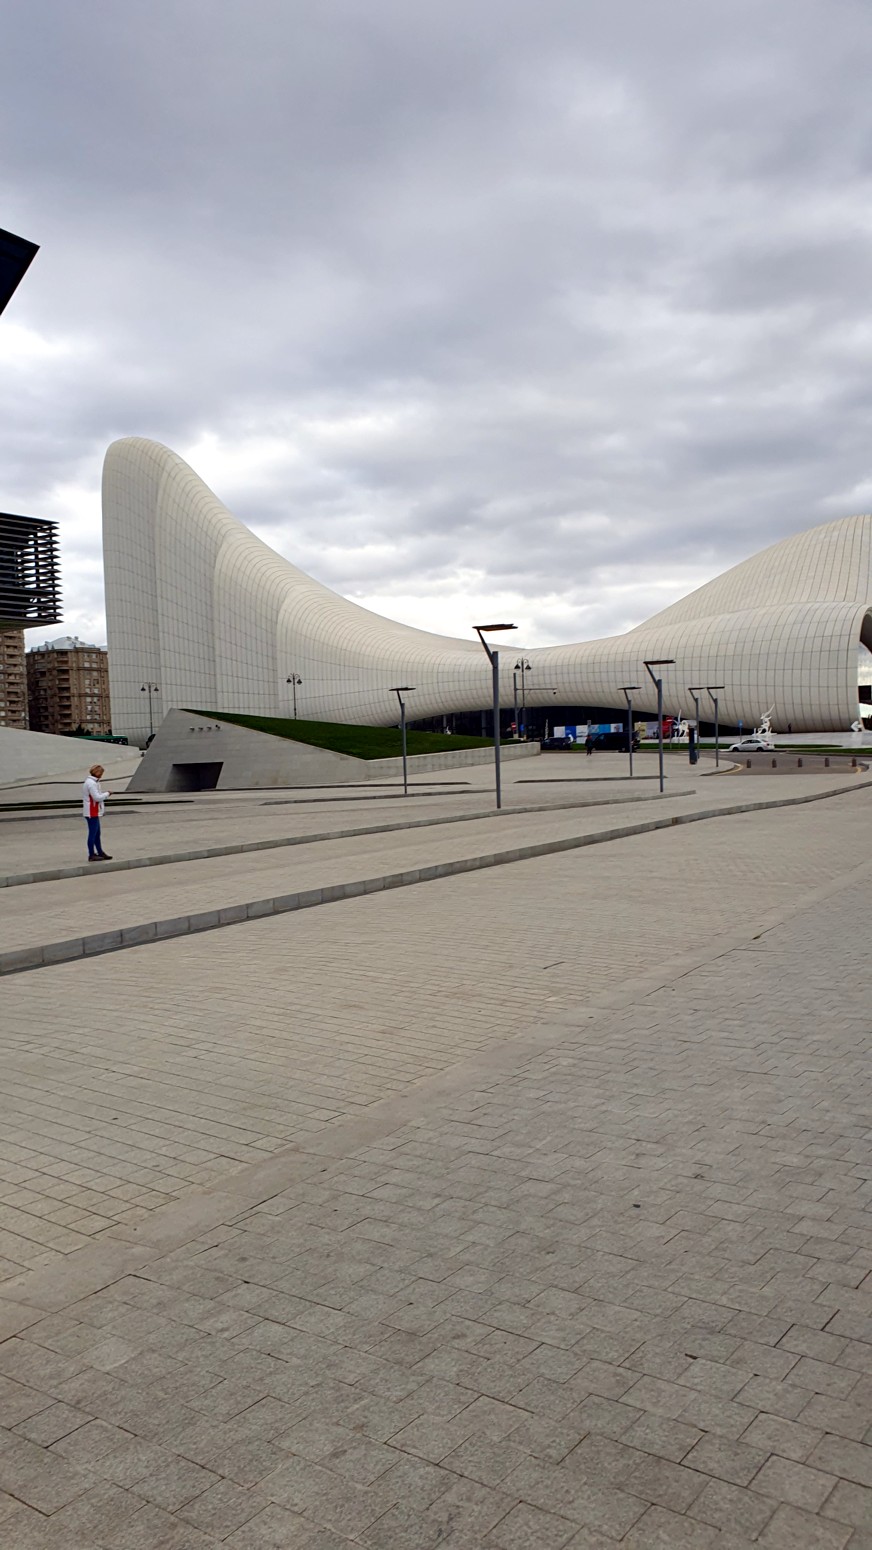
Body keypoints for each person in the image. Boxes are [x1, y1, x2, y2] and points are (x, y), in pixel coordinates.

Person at [82, 764, 113, 861]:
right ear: (97, 773)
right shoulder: (91, 783)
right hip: (92, 811)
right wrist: (107, 794)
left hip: (94, 811)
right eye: (101, 773)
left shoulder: (93, 782)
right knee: (93, 834)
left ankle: (100, 852)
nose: (102, 775)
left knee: (96, 834)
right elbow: (97, 797)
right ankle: (91, 854)